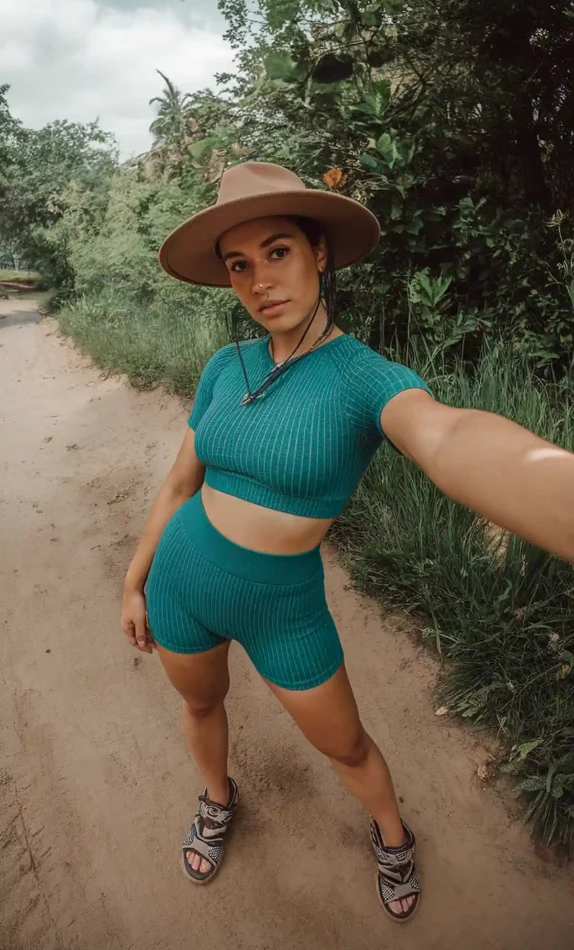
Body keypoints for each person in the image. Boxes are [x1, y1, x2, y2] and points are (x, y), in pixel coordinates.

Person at [121, 162, 574, 923]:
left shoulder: (365, 378)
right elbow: (176, 486)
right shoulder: (223, 366)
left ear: (319, 253)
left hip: (282, 607)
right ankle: (218, 795)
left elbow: (448, 434)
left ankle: (393, 835)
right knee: (200, 707)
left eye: (277, 252)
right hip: (179, 583)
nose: (260, 281)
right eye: (240, 265)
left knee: (346, 746)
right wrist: (135, 581)